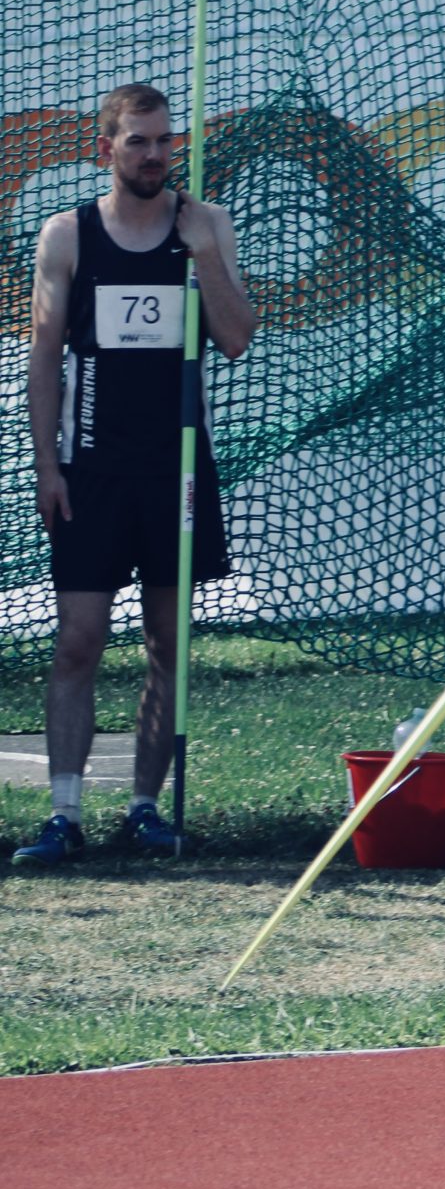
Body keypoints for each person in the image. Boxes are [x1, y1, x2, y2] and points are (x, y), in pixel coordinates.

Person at [14, 84, 259, 866]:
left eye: (163, 141)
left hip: (175, 470)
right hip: (92, 469)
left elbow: (237, 337)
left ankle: (145, 809)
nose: (155, 155)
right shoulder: (69, 234)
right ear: (107, 149)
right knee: (77, 641)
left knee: (167, 643)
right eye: (138, 142)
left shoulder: (206, 223)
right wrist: (47, 464)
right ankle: (64, 813)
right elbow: (44, 357)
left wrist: (204, 253)